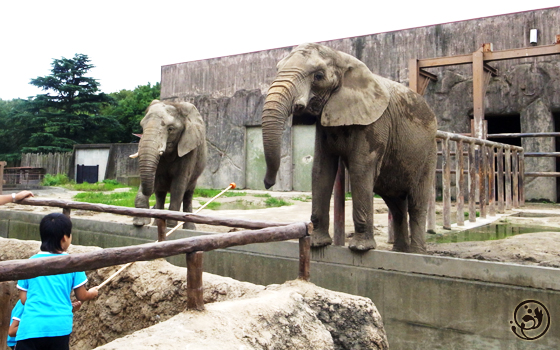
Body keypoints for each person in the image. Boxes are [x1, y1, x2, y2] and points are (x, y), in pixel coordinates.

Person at [15, 213, 99, 350]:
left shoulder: (28, 263)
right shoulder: (73, 263)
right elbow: (82, 296)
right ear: (64, 238)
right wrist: (92, 293)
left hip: (31, 326)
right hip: (59, 327)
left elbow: (24, 299)